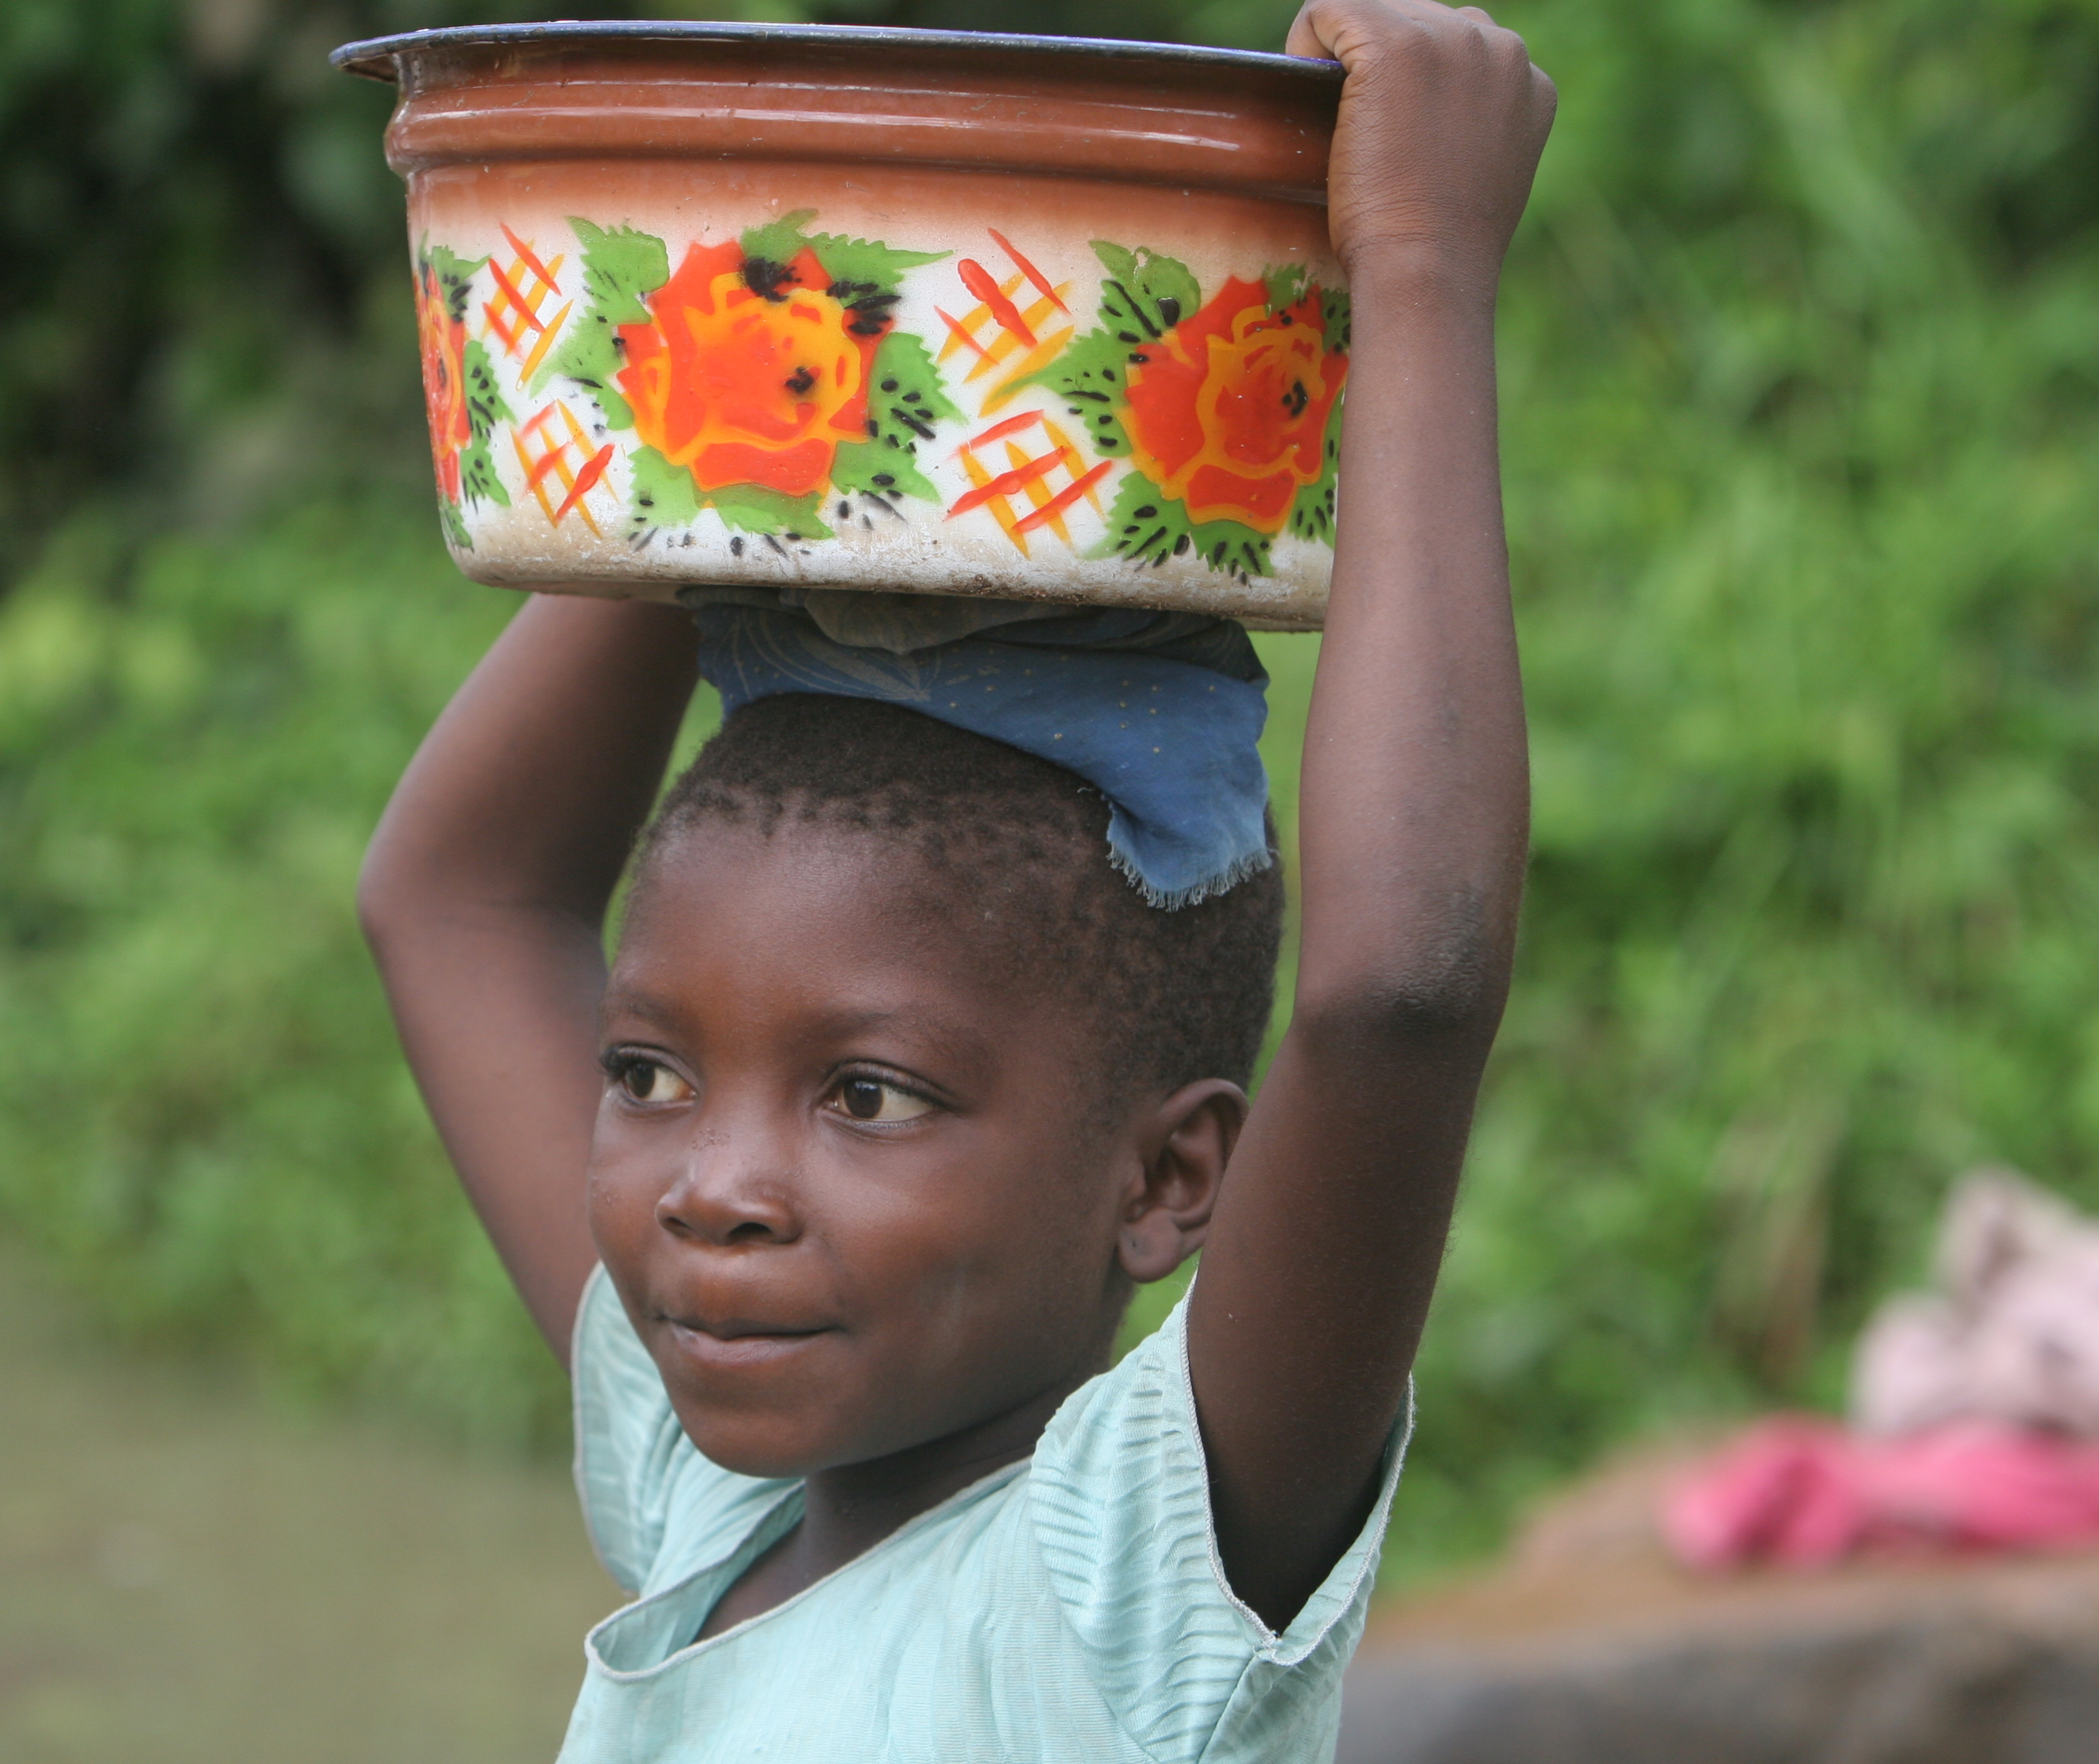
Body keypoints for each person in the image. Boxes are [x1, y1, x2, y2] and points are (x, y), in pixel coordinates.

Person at [356, 2, 1552, 1756]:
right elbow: (454, 903)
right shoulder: (715, 1506)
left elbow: (1402, 996)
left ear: (1165, 1176)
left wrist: (1425, 266)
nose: (716, 1190)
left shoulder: (1111, 1592)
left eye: (868, 1093)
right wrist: (750, 400)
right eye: (647, 1073)